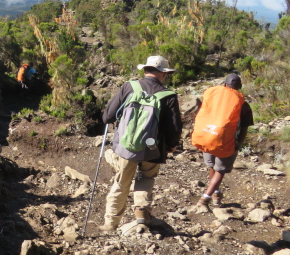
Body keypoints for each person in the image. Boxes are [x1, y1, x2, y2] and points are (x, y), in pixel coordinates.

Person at [99, 55, 183, 232]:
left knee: (122, 183)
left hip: (126, 147)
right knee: (146, 177)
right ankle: (141, 213)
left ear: (145, 70)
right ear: (163, 74)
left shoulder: (129, 86)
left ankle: (110, 223)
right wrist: (172, 145)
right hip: (153, 149)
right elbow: (174, 127)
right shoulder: (168, 95)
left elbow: (108, 117)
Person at [195, 74, 253, 208]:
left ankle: (216, 193)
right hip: (226, 141)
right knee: (220, 170)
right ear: (239, 87)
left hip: (207, 136)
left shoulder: (212, 97)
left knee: (212, 166)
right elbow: (244, 127)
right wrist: (239, 143)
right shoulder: (242, 104)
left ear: (224, 84)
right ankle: (205, 199)